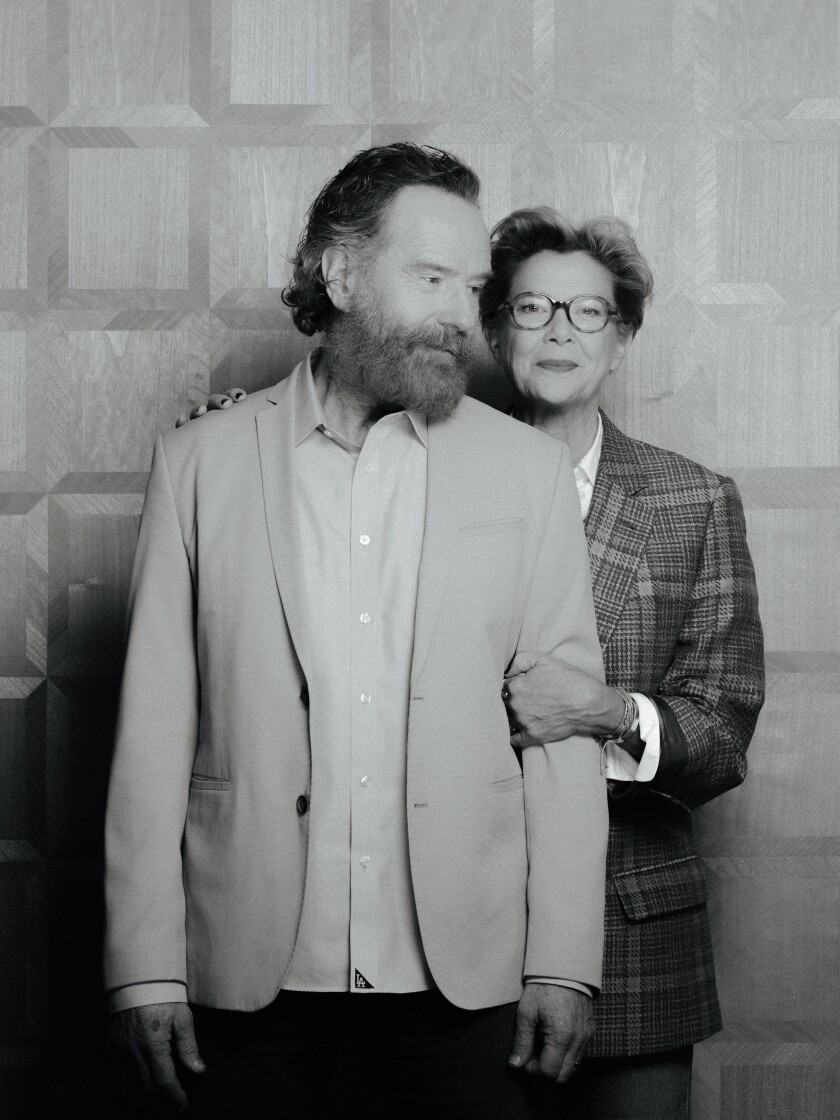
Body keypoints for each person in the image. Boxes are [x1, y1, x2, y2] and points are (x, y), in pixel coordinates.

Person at [104, 146, 610, 1119]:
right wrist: (142, 968)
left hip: (467, 989)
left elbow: (560, 738)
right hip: (246, 981)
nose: (462, 315)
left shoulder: (525, 474)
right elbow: (153, 737)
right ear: (339, 274)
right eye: (431, 279)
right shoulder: (198, 463)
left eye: (470, 287)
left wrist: (565, 960)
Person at [481, 209, 765, 1118]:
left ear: (623, 336)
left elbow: (722, 734)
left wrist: (606, 710)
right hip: (456, 933)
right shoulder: (421, 478)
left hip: (634, 938)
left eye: (588, 312)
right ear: (496, 330)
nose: (560, 329)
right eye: (532, 307)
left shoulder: (693, 500)